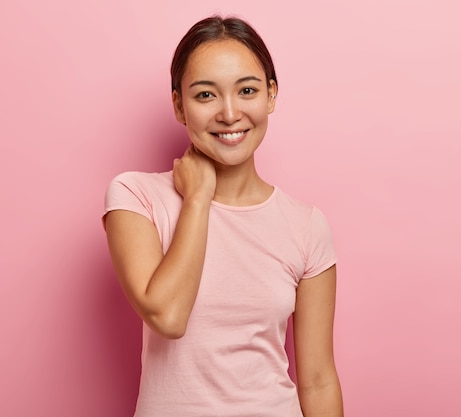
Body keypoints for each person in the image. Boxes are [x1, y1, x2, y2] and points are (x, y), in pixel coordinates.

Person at [103, 15, 343, 417]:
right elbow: (168, 315)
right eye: (205, 95)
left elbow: (318, 379)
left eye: (246, 90)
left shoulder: (305, 224)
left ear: (270, 95)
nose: (230, 113)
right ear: (179, 105)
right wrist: (198, 198)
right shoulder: (136, 197)